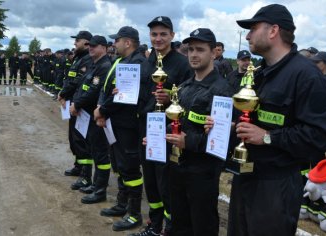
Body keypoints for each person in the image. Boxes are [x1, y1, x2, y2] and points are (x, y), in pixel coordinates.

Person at [225, 4, 326, 235]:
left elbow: (323, 136)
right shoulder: (258, 74)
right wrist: (232, 126)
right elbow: (253, 120)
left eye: (253, 28)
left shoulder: (306, 76)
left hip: (277, 185)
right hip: (245, 177)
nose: (247, 35)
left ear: (273, 30)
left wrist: (267, 138)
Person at [160, 28, 233, 236]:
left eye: (200, 49)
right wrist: (160, 135)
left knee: (202, 224)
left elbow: (222, 141)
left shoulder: (222, 91)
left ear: (214, 52)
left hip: (203, 171)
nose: (193, 54)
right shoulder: (183, 87)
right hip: (177, 167)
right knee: (180, 222)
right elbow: (177, 122)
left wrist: (189, 142)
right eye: (190, 49)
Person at [133, 16, 193, 236]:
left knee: (167, 183)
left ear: (172, 36)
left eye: (163, 34)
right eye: (154, 34)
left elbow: (189, 100)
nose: (158, 39)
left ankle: (170, 229)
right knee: (151, 182)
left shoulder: (182, 64)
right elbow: (140, 94)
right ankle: (154, 226)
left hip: (168, 132)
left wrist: (171, 99)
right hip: (145, 128)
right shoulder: (148, 61)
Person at [94, 26, 146, 231]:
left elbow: (124, 98)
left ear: (128, 42)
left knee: (130, 169)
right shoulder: (121, 61)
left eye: (117, 40)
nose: (113, 44)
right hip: (115, 124)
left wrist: (103, 110)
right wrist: (101, 108)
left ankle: (134, 215)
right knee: (120, 166)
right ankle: (122, 204)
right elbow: (107, 88)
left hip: (129, 127)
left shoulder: (138, 63)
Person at [69, 35, 112, 204]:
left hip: (97, 115)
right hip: (87, 115)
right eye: (89, 46)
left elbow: (94, 91)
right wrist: (76, 103)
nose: (90, 48)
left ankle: (100, 190)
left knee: (101, 154)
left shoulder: (104, 66)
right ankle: (95, 184)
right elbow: (83, 86)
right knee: (94, 150)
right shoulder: (94, 65)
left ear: (104, 47)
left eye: (94, 46)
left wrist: (77, 103)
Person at [58, 30, 93, 190]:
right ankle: (78, 166)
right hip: (73, 102)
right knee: (74, 138)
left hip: (81, 106)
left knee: (80, 140)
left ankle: (85, 175)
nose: (74, 44)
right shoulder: (78, 58)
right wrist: (63, 94)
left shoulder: (87, 60)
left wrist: (64, 94)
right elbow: (70, 79)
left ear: (86, 42)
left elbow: (77, 82)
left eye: (77, 41)